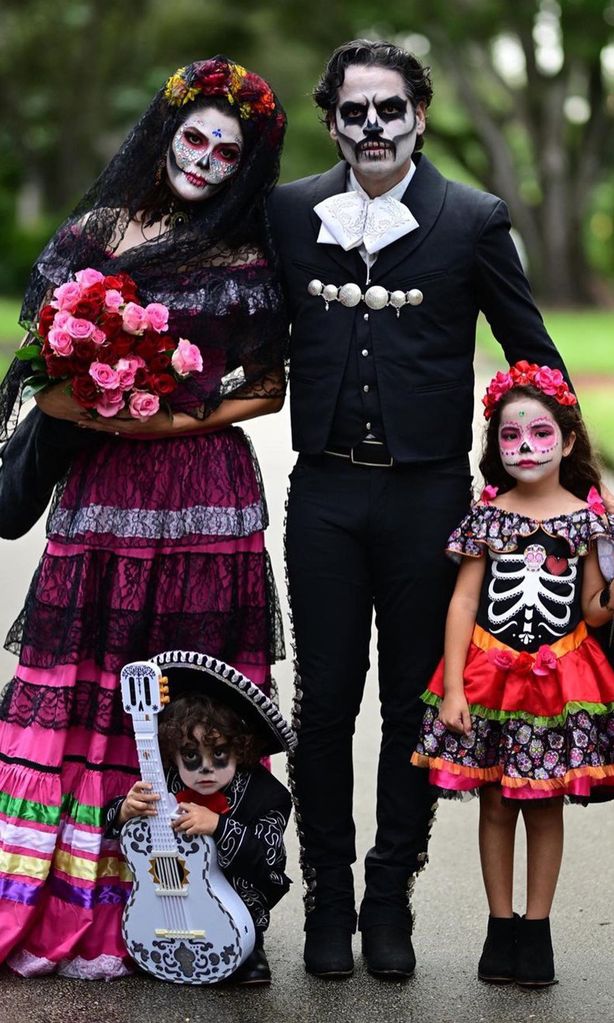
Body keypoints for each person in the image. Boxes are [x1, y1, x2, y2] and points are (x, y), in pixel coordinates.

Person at [267, 39, 575, 980]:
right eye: (353, 112)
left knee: (413, 704)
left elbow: (535, 354)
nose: (371, 128)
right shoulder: (288, 212)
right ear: (331, 120)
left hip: (428, 496)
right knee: (323, 706)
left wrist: (574, 498)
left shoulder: (472, 218)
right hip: (322, 489)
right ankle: (327, 896)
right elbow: (233, 318)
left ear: (419, 116)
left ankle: (390, 896)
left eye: (388, 110)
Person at [0, 57, 288, 978]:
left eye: (226, 151)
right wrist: (108, 411)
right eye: (194, 137)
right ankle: (69, 905)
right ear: (164, 134)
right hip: (104, 495)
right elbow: (49, 384)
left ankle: (199, 907)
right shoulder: (93, 234)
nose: (204, 159)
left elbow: (274, 385)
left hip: (205, 498)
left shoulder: (249, 249)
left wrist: (167, 417)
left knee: (192, 692)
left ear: (246, 167)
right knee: (90, 674)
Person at [412, 362, 614, 987]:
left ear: (569, 441)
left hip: (558, 683)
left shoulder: (588, 521)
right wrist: (450, 687)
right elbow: (465, 602)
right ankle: (500, 928)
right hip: (486, 680)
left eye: (540, 433)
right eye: (510, 436)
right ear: (495, 444)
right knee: (495, 804)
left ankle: (538, 929)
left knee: (545, 808)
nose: (525, 447)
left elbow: (592, 609)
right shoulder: (488, 517)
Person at [105, 649, 296, 985]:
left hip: (239, 897)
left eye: (219, 753)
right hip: (172, 898)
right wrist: (124, 811)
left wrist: (219, 827)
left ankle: (250, 948)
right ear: (171, 754)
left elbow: (269, 858)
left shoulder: (267, 795)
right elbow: (111, 823)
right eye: (191, 755)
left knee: (249, 881)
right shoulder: (164, 781)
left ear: (241, 748)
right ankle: (162, 939)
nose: (206, 767)